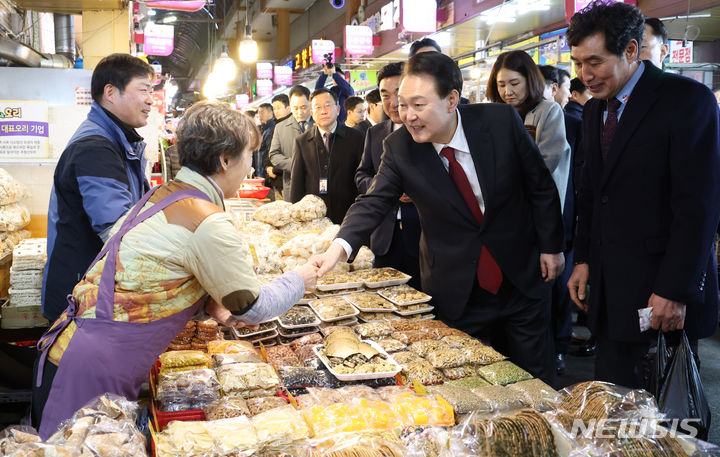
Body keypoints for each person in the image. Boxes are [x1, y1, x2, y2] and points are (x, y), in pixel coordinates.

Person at [32, 101, 318, 439]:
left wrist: (204, 305)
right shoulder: (207, 219)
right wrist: (301, 278)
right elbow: (253, 307)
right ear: (225, 159)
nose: (249, 168)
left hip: (77, 353)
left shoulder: (162, 195)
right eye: (248, 157)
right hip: (90, 374)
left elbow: (153, 274)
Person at [312, 52, 565, 386]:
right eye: (403, 105)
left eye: (419, 105)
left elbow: (540, 184)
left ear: (451, 100)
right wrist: (339, 249)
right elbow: (373, 200)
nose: (408, 116)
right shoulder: (399, 147)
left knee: (534, 380)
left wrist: (551, 246)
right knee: (464, 385)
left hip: (519, 273)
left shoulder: (499, 122)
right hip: (456, 284)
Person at [566, 1, 720, 388]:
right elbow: (590, 193)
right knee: (612, 405)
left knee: (666, 414)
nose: (586, 75)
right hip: (607, 286)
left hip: (661, 288)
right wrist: (582, 259)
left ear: (631, 51)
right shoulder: (593, 111)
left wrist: (674, 289)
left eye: (596, 62)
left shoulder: (685, 101)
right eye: (578, 63)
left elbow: (698, 206)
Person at [42, 54, 154, 323]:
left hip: (92, 287)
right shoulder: (95, 148)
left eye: (152, 91)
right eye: (143, 90)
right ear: (110, 93)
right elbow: (116, 230)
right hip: (78, 294)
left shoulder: (116, 141)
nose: (150, 99)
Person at [355, 62, 422, 289]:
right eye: (385, 95)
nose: (393, 103)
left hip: (422, 235)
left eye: (398, 93)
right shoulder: (375, 133)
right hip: (385, 235)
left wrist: (416, 191)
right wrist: (385, 186)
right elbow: (361, 175)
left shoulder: (426, 130)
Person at [488, 51, 571, 217]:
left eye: (514, 83)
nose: (507, 91)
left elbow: (544, 164)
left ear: (529, 80)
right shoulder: (496, 114)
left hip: (538, 210)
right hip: (505, 211)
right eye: (501, 85)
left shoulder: (549, 110)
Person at [538, 64, 583, 375]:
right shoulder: (507, 122)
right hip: (536, 225)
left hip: (565, 220)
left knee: (560, 289)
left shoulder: (572, 122)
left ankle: (559, 347)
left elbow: (578, 177)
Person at [289, 88, 364, 224]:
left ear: (338, 109)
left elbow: (362, 177)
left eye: (328, 105)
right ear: (312, 113)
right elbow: (297, 184)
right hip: (313, 219)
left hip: (348, 215)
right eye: (317, 107)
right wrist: (296, 217)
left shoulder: (356, 138)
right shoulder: (302, 142)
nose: (323, 111)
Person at [268, 85, 314, 201]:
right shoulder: (280, 127)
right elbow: (274, 154)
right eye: (295, 108)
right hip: (291, 183)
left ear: (310, 104)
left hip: (316, 184)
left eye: (304, 107)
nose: (299, 112)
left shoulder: (319, 125)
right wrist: (294, 164)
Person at [266, 94, 292, 197]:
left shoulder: (292, 127)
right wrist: (268, 166)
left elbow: (290, 155)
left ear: (288, 108)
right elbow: (272, 151)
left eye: (279, 108)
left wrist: (275, 170)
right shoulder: (276, 126)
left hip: (286, 179)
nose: (276, 111)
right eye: (274, 108)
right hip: (276, 180)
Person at [255, 103, 275, 179]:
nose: (260, 115)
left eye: (262, 112)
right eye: (259, 113)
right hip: (260, 172)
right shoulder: (263, 129)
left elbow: (270, 151)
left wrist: (267, 168)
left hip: (267, 173)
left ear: (271, 113)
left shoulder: (272, 129)